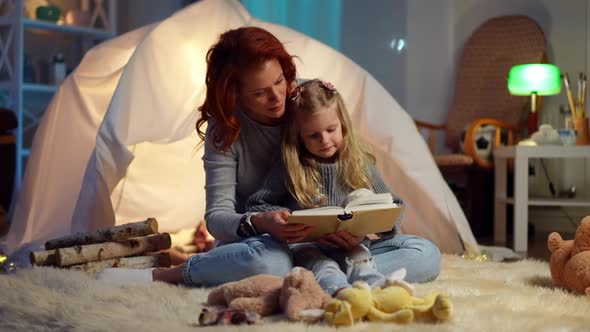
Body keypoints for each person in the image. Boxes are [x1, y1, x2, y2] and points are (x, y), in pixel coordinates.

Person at [97, 26, 314, 286]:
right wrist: (260, 222)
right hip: (256, 242)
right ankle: (164, 276)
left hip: (312, 236)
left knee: (359, 257)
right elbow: (217, 217)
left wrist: (344, 226)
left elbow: (347, 170)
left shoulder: (310, 100)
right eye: (259, 93)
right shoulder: (225, 128)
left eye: (279, 81)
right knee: (269, 264)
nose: (277, 97)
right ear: (235, 95)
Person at [245, 79, 441, 295]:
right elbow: (257, 204)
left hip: (355, 246)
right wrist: (283, 219)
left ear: (343, 124)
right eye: (313, 135)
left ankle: (365, 283)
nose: (324, 140)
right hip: (308, 248)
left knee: (426, 252)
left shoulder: (359, 162)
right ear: (299, 136)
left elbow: (393, 203)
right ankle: (340, 291)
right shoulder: (290, 165)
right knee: (321, 264)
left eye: (331, 129)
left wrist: (370, 227)